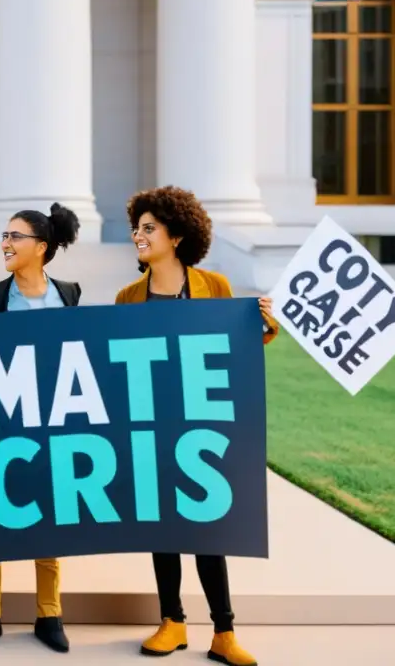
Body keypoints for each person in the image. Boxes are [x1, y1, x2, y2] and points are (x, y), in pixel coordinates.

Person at [113, 186, 277, 666]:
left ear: (177, 236)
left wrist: (264, 327)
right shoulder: (128, 298)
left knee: (208, 529)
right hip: (152, 427)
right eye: (136, 228)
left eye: (149, 228)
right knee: (162, 529)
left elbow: (235, 349)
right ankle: (172, 621)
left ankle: (224, 632)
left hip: (201, 427)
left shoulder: (215, 287)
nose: (138, 235)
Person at [0, 203, 81, 653]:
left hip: (52, 423)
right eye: (5, 236)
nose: (6, 244)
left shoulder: (69, 294)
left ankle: (49, 614)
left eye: (15, 237)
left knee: (49, 517)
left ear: (41, 247)